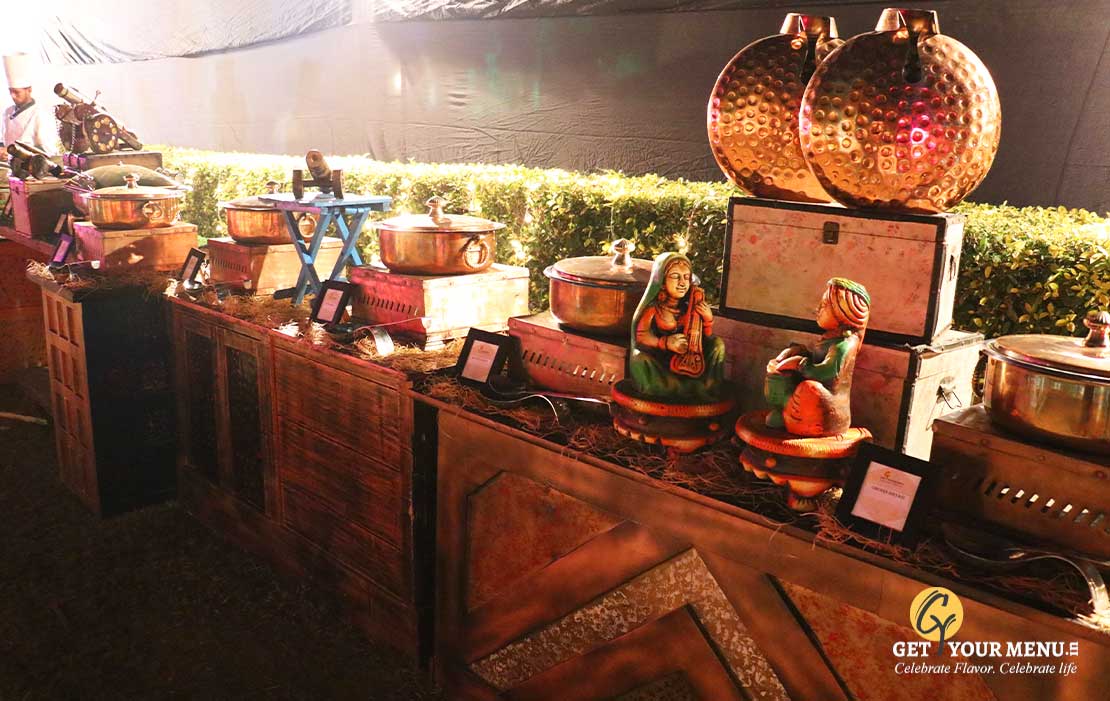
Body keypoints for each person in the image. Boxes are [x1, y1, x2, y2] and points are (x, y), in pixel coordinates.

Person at [764, 277, 870, 436]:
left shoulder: (844, 345)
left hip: (830, 405)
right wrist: (799, 351)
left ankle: (798, 420)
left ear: (844, 314)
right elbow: (817, 360)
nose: (818, 309)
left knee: (809, 389)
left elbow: (827, 373)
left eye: (825, 305)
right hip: (813, 383)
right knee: (778, 374)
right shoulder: (831, 338)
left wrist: (801, 364)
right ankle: (782, 411)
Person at [629, 252, 727, 401]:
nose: (682, 283)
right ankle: (675, 388)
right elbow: (641, 338)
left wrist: (708, 320)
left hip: (690, 360)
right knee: (639, 359)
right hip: (660, 360)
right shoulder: (653, 308)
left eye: (686, 277)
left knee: (717, 344)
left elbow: (705, 338)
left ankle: (707, 386)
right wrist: (665, 343)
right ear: (662, 281)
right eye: (675, 277)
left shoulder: (689, 307)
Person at [3, 53, 58, 156]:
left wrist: (11, 152)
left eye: (17, 92)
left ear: (29, 90)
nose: (13, 96)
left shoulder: (40, 114)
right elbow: (4, 140)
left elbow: (46, 150)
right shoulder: (8, 112)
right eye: (10, 91)